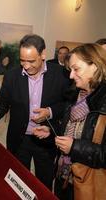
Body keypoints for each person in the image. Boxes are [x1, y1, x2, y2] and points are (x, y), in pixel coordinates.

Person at [0, 34, 70, 189]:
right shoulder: (12, 75)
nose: (26, 66)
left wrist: (49, 111)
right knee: (18, 182)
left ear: (43, 54)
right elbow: (3, 102)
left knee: (44, 184)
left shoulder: (61, 74)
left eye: (31, 61)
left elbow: (68, 105)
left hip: (47, 140)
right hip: (18, 140)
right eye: (22, 61)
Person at [33, 43, 106, 199]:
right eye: (70, 70)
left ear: (95, 66)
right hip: (64, 175)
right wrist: (51, 133)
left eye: (76, 69)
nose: (71, 76)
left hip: (89, 184)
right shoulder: (75, 95)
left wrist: (74, 147)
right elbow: (68, 131)